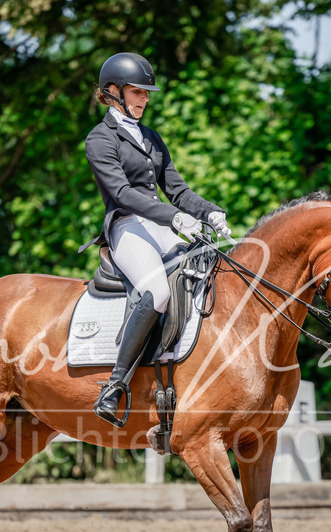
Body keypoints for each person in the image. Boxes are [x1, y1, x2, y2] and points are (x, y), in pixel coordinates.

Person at [82, 51, 229, 426]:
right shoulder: (100, 139)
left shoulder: (151, 137)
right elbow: (122, 193)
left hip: (161, 225)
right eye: (137, 91)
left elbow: (177, 190)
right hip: (127, 226)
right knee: (158, 292)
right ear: (113, 91)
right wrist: (174, 217)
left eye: (146, 93)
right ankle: (114, 386)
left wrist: (209, 212)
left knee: (203, 273)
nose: (145, 99)